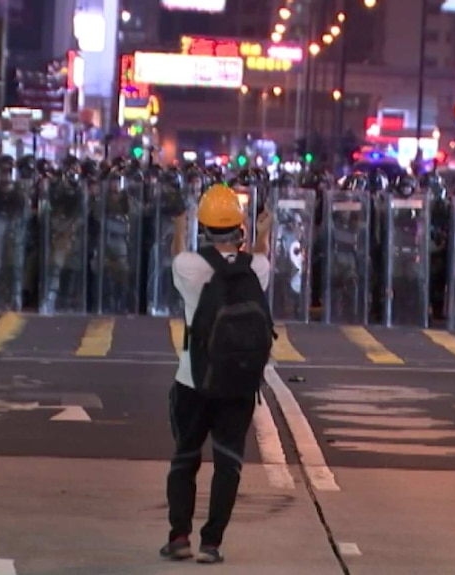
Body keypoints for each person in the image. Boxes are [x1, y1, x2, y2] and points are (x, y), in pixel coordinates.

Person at [162, 183, 272, 564]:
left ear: (203, 228)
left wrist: (180, 227)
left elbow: (177, 254)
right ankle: (212, 544)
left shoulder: (188, 267)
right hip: (239, 383)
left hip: (193, 380)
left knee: (184, 458)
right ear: (239, 229)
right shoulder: (258, 268)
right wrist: (264, 232)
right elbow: (261, 254)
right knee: (228, 462)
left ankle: (179, 536)